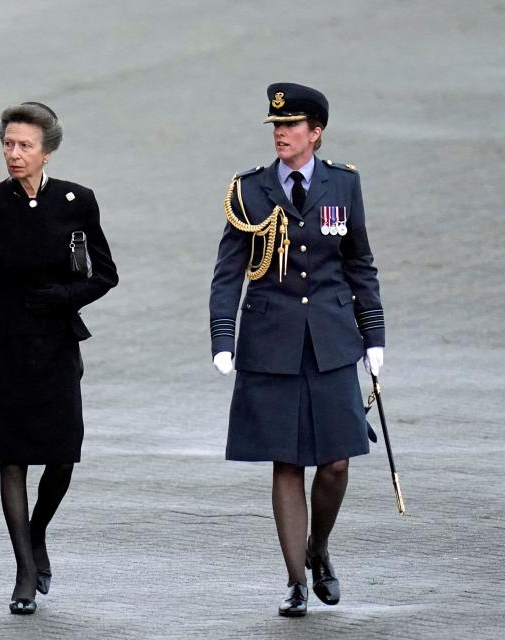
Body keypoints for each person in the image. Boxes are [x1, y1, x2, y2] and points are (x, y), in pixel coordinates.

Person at [209, 83, 385, 617]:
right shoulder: (250, 190)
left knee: (334, 463)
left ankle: (318, 549)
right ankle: (294, 582)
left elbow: (360, 263)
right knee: (286, 462)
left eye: (290, 126)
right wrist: (223, 338)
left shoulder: (343, 184)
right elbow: (228, 273)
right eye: (275, 127)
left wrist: (374, 336)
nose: (280, 133)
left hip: (331, 341)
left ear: (316, 132)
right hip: (271, 343)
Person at [0, 102, 118, 614]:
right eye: (8, 144)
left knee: (63, 456)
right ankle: (23, 569)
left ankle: (36, 531)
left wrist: (64, 298)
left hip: (56, 343)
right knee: (12, 458)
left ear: (47, 152)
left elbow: (103, 273)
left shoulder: (76, 201)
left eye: (25, 146)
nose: (14, 154)